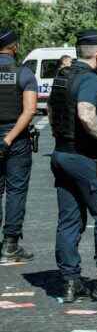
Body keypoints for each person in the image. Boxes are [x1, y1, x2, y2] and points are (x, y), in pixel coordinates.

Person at [47, 29, 97, 302]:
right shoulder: (89, 79)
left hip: (61, 154)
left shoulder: (62, 77)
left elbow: (52, 112)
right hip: (85, 158)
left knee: (69, 220)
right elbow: (87, 115)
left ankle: (69, 282)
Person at [0, 29, 36, 264]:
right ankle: (10, 245)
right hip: (16, 139)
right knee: (15, 191)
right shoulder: (23, 73)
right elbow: (30, 110)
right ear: (14, 47)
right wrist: (9, 138)